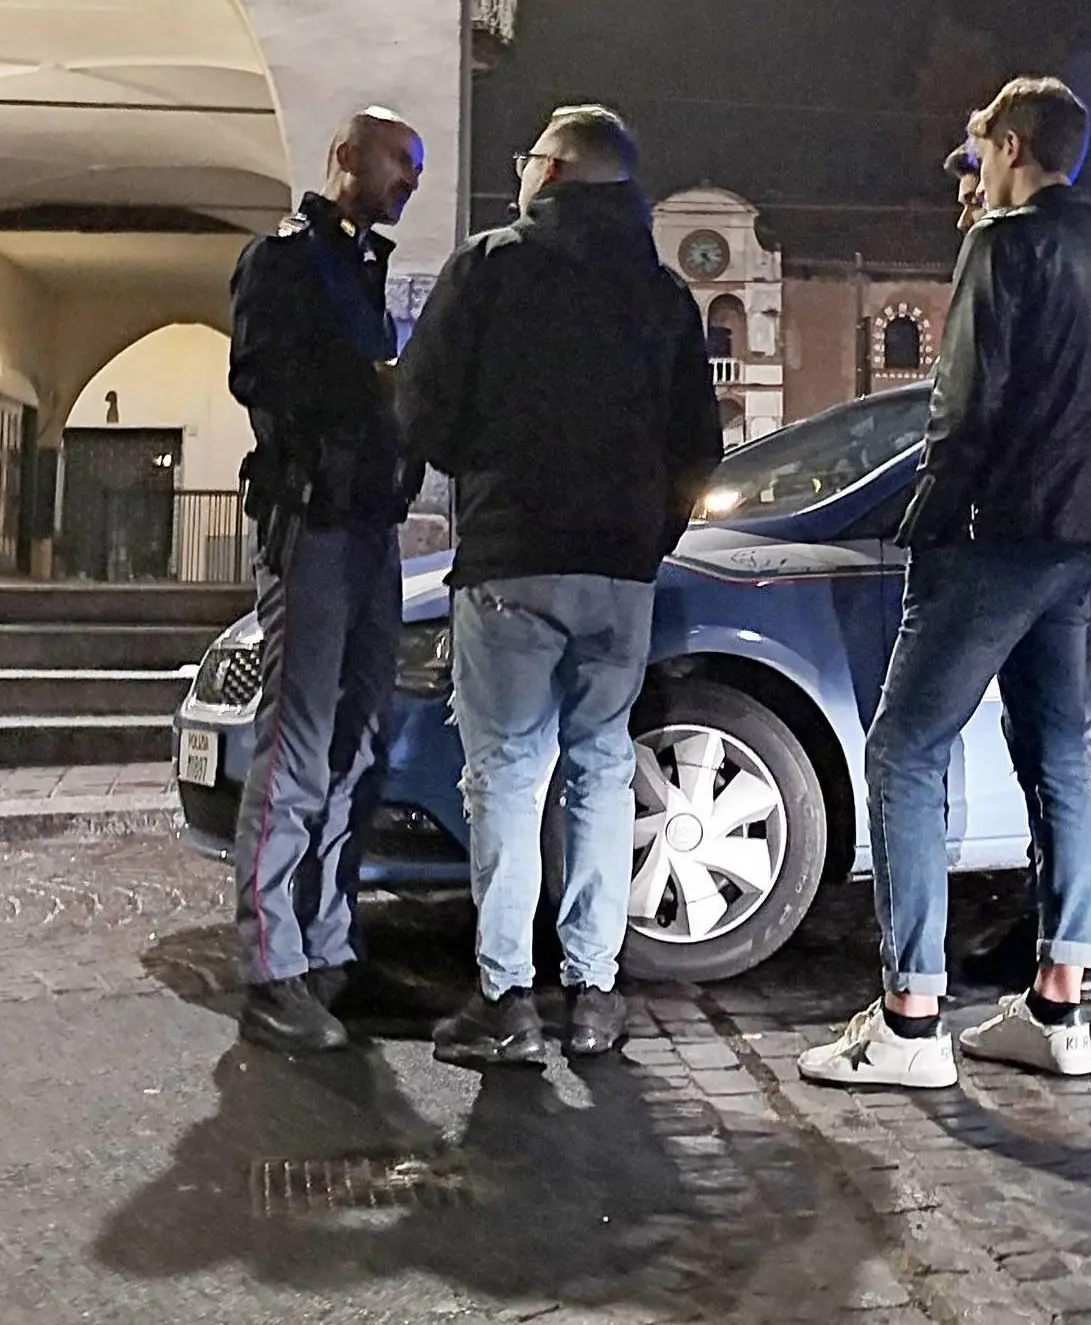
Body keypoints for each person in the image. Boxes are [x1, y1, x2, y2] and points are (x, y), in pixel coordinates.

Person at [799, 76, 1091, 1091]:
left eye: (980, 147)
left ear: (1009, 142)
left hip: (995, 532)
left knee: (904, 748)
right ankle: (1059, 1006)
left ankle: (912, 1018)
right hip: (1087, 538)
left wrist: (929, 516)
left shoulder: (1003, 246)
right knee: (1060, 755)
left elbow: (965, 404)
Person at [399, 104, 722, 1064]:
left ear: (556, 173)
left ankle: (506, 997)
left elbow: (423, 407)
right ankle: (594, 991)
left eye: (530, 155)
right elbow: (695, 447)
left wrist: (485, 481)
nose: (521, 170)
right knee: (602, 765)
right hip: (620, 570)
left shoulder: (489, 268)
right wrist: (648, 535)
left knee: (505, 772)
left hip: (513, 556)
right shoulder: (663, 296)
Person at [944, 141, 1091, 1000]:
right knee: (1048, 729)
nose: (965, 200)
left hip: (1066, 526)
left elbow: (988, 407)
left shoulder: (1041, 258)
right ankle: (1065, 923)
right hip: (1077, 523)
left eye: (974, 180)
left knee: (1084, 727)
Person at [228, 108, 425, 1055]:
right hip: (312, 524)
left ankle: (331, 948)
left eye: (418, 167)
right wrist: (371, 394)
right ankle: (273, 968)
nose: (411, 180)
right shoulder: (287, 258)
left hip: (368, 527)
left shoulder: (360, 264)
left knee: (358, 742)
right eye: (400, 161)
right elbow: (260, 374)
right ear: (344, 156)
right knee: (299, 745)